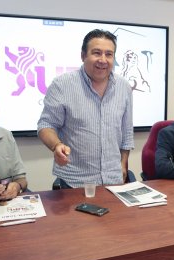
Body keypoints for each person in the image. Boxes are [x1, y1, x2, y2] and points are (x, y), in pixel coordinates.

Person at [37, 29, 134, 188]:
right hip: (75, 183)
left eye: (109, 54)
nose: (103, 60)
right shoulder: (62, 85)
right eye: (97, 53)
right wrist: (56, 146)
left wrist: (123, 164)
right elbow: (46, 125)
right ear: (83, 56)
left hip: (113, 181)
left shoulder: (124, 87)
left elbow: (127, 133)